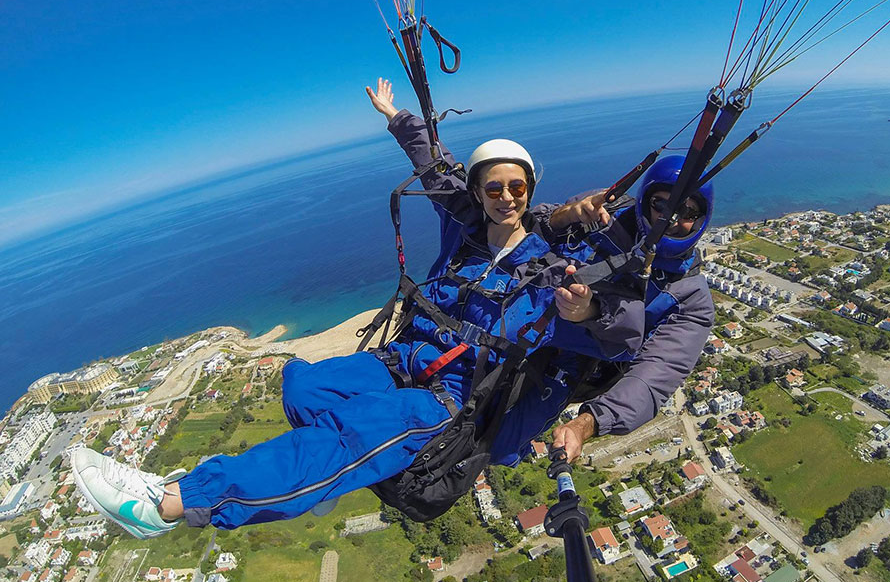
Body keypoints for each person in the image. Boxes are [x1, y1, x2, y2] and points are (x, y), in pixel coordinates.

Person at [71, 79, 643, 538]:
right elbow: (432, 164)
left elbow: (620, 291)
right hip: (403, 360)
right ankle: (320, 480)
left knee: (343, 435)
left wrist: (587, 257)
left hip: (454, 399)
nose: (506, 197)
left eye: (517, 187)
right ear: (478, 194)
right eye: (493, 188)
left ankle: (171, 504)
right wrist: (396, 117)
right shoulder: (464, 233)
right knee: (301, 385)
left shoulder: (557, 263)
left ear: (532, 189)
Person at [489, 154, 716, 465]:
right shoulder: (601, 211)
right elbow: (531, 230)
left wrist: (588, 423)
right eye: (661, 206)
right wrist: (567, 216)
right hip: (524, 313)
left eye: (687, 212)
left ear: (702, 220)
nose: (672, 219)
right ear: (644, 201)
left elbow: (655, 376)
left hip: (575, 363)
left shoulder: (691, 299)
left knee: (498, 445)